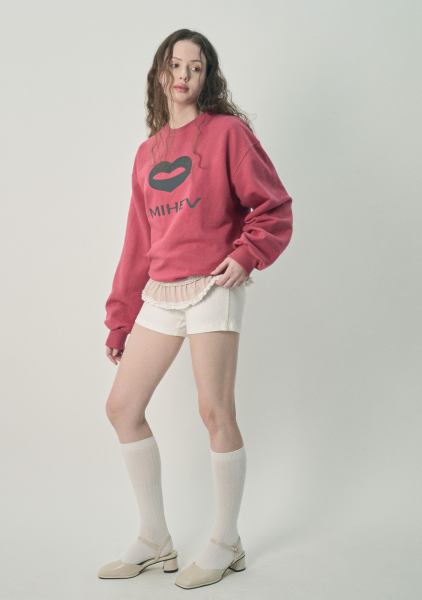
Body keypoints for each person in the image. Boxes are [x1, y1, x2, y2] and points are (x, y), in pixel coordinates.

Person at [98, 29, 293, 590]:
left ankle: (227, 542)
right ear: (160, 74)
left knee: (215, 411)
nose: (183, 75)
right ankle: (154, 538)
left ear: (207, 78)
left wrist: (247, 254)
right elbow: (138, 242)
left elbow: (273, 205)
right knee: (122, 408)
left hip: (213, 285)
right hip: (161, 293)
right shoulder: (147, 153)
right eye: (175, 64)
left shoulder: (228, 133)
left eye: (196, 66)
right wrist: (120, 318)